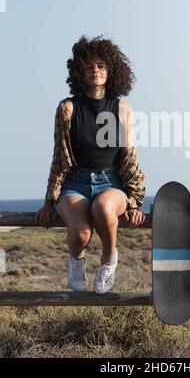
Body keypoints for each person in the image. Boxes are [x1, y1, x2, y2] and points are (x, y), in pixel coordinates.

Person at [35, 35, 146, 294]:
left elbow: (129, 156)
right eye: (89, 66)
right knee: (81, 235)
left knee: (103, 207)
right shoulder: (67, 108)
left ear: (111, 70)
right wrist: (49, 201)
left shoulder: (121, 107)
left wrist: (135, 200)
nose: (95, 70)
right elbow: (59, 157)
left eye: (101, 65)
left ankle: (109, 260)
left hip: (112, 183)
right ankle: (76, 261)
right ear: (80, 72)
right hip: (75, 182)